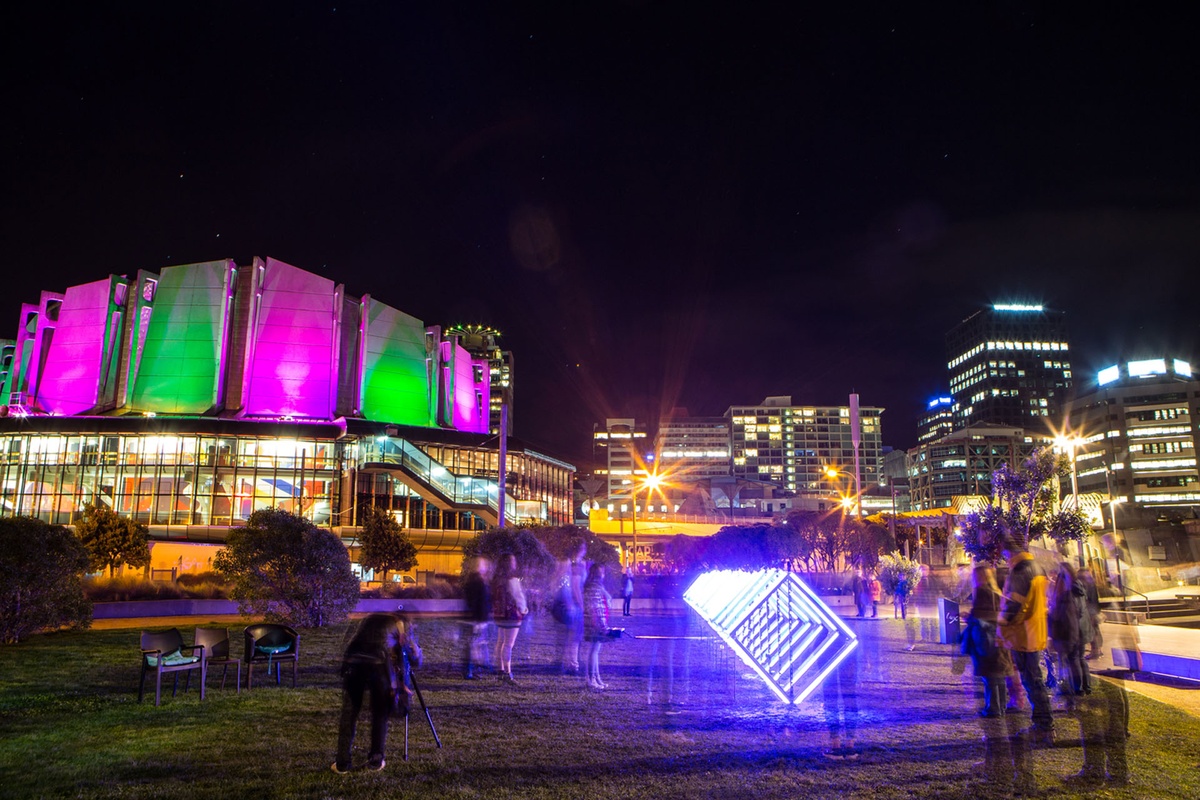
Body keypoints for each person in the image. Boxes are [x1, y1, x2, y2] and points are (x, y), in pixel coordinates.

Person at [333, 612, 422, 773]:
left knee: (349, 714)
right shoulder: (401, 625)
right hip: (379, 668)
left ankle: (342, 762)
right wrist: (416, 654)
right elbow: (411, 657)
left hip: (354, 664)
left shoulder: (370, 619)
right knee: (379, 714)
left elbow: (351, 641)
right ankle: (376, 759)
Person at [998, 533, 1054, 742]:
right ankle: (1043, 725)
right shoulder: (1038, 567)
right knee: (1034, 680)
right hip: (1035, 631)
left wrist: (1001, 624)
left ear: (1010, 551)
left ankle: (1044, 726)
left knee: (1032, 681)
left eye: (1005, 553)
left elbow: (1014, 605)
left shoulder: (1020, 571)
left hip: (1023, 634)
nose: (1004, 557)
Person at [964, 564, 1014, 717]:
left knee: (990, 675)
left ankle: (992, 708)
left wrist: (968, 617)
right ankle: (1001, 706)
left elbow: (980, 617)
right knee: (998, 674)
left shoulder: (981, 592)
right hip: (999, 636)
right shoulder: (996, 592)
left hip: (986, 638)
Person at [1049, 562, 1091, 700]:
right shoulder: (1078, 586)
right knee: (1080, 657)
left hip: (1073, 629)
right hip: (1081, 627)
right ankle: (1086, 686)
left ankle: (1078, 688)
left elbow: (1069, 613)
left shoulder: (1067, 593)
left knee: (1073, 659)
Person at [492, 553, 528, 684]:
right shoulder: (512, 580)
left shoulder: (497, 579)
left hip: (500, 614)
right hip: (512, 615)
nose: (515, 563)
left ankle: (500, 671)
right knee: (508, 644)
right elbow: (519, 597)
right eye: (513, 561)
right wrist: (524, 610)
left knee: (500, 642)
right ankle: (508, 673)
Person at [556, 541, 587, 674]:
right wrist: (581, 604)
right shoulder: (577, 566)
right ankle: (573, 664)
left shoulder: (572, 563)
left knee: (571, 635)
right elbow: (575, 586)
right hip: (574, 604)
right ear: (582, 549)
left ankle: (568, 662)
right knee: (575, 635)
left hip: (569, 603)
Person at [461, 556, 492, 679]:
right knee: (472, 645)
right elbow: (477, 602)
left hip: (476, 618)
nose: (485, 567)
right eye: (483, 565)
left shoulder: (475, 580)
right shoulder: (476, 582)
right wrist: (478, 620)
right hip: (476, 619)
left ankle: (471, 670)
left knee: (473, 645)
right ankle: (469, 672)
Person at [582, 562, 612, 690]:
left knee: (595, 651)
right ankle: (592, 679)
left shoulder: (590, 586)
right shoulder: (595, 587)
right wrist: (603, 626)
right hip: (595, 623)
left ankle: (596, 678)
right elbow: (597, 608)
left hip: (591, 622)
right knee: (594, 651)